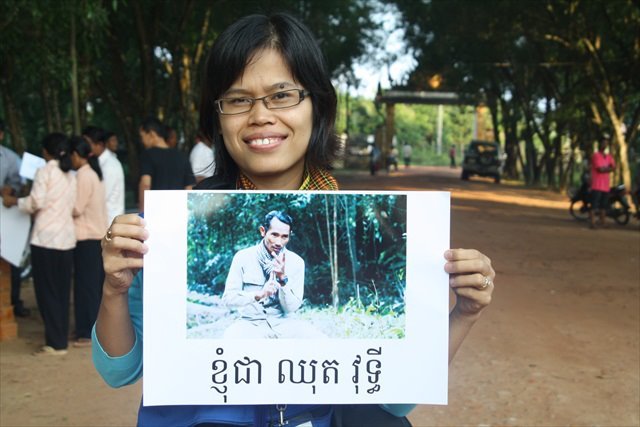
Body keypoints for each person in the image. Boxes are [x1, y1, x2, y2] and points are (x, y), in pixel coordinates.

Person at [93, 13, 495, 427]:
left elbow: (392, 404)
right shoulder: (160, 231)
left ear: (317, 106)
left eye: (282, 95)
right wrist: (114, 291)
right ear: (217, 117)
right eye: (237, 99)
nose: (260, 115)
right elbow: (119, 371)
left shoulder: (306, 255)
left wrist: (464, 313)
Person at [3, 133, 77, 355]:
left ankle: (54, 343)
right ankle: (60, 339)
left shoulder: (44, 171)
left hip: (45, 238)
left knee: (46, 292)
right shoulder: (71, 175)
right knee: (62, 292)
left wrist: (14, 201)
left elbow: (36, 202)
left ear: (46, 152)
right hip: (66, 238)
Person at [223, 210, 325, 339]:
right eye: (274, 235)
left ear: (290, 235)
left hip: (285, 323)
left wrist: (282, 279)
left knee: (320, 340)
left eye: (284, 236)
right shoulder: (242, 257)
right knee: (231, 337)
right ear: (263, 231)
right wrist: (258, 295)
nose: (279, 242)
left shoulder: (296, 262)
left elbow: (292, 308)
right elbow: (228, 300)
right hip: (250, 324)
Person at [69, 136, 109, 348]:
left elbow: (77, 207)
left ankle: (87, 332)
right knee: (92, 286)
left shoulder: (84, 176)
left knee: (86, 287)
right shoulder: (94, 174)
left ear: (76, 155)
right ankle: (89, 329)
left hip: (87, 237)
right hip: (96, 236)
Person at [0, 121, 31, 317]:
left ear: (1, 135)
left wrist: (11, 189)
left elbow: (21, 184)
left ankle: (14, 301)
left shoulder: (11, 158)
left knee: (12, 258)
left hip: (7, 217)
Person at [137, 117, 195, 211]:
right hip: (178, 210)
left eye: (142, 136)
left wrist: (143, 211)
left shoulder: (147, 154)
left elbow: (146, 183)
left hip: (155, 210)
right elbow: (189, 187)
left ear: (151, 134)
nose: (142, 141)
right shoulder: (182, 156)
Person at [82, 126, 125, 224]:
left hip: (110, 222)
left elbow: (102, 196)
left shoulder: (109, 165)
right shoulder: (102, 162)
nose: (85, 148)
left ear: (100, 144)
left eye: (88, 144)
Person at [589, 136, 615, 229]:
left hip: (605, 186)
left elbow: (613, 167)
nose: (605, 144)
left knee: (603, 205)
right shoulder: (596, 155)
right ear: (599, 144)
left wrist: (606, 169)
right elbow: (600, 169)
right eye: (603, 143)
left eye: (606, 143)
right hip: (596, 185)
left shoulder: (609, 156)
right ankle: (592, 222)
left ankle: (603, 222)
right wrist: (608, 169)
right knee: (594, 204)